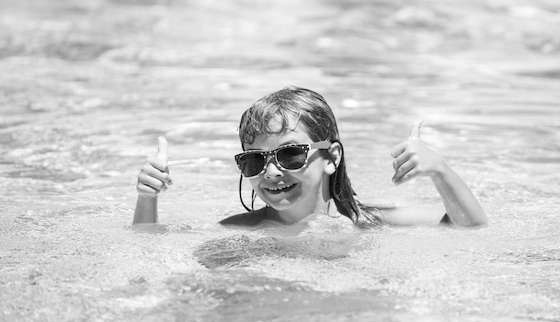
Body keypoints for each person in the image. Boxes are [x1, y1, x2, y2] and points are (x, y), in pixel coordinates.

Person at [133, 86, 487, 228]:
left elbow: (470, 229)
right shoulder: (242, 230)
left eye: (290, 154)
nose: (270, 171)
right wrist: (147, 199)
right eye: (254, 160)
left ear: (331, 157)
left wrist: (439, 169)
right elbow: (146, 253)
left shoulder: (370, 222)